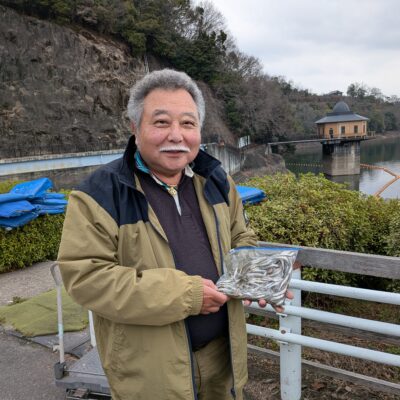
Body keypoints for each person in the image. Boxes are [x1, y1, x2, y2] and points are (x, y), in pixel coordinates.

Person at [58, 69, 283, 400]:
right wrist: (186, 294)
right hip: (150, 371)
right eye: (162, 122)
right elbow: (86, 278)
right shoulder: (101, 192)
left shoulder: (216, 179)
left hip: (223, 360)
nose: (176, 135)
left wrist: (256, 277)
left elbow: (242, 237)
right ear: (135, 127)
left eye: (188, 123)